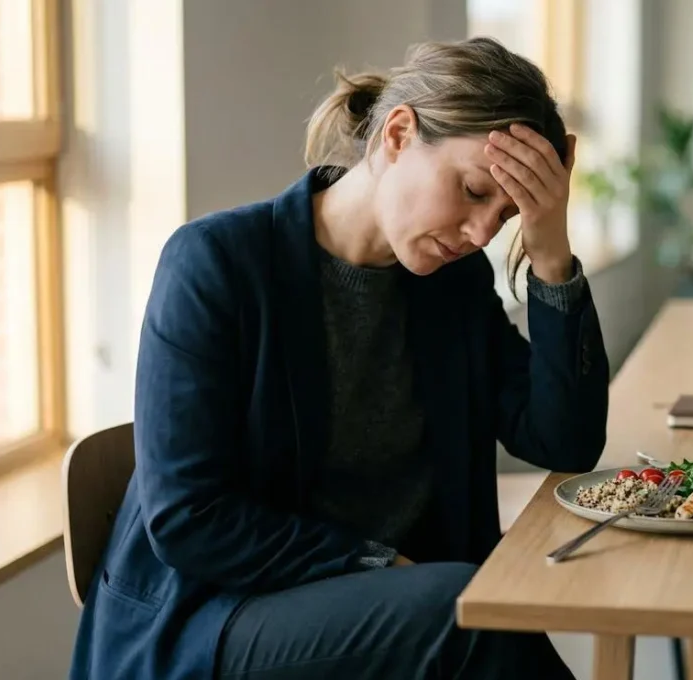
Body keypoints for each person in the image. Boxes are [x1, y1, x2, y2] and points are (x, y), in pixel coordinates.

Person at [68, 36, 608, 680]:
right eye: (471, 190)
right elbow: (190, 518)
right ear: (398, 135)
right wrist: (376, 564)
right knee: (467, 614)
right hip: (215, 616)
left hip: (389, 610)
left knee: (477, 613)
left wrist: (550, 255)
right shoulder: (215, 264)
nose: (481, 233)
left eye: (508, 215)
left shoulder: (451, 282)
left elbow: (562, 439)